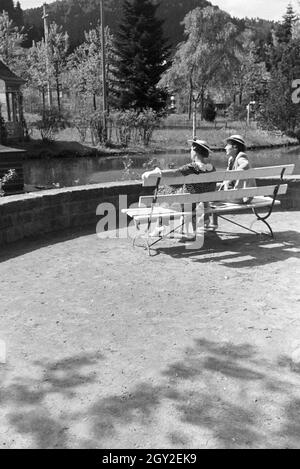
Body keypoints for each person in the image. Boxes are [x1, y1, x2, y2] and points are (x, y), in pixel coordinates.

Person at [142, 138, 216, 238]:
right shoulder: (212, 168)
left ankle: (160, 225)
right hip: (196, 202)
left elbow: (175, 173)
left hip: (186, 203)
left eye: (191, 150)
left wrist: (155, 172)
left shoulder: (192, 167)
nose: (190, 152)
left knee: (163, 194)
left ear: (195, 150)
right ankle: (168, 224)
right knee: (174, 192)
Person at [211, 134, 256, 228]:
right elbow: (226, 178)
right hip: (238, 192)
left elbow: (245, 164)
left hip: (243, 196)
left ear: (235, 147)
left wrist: (231, 178)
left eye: (227, 145)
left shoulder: (241, 156)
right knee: (211, 188)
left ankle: (211, 221)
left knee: (212, 195)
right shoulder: (231, 159)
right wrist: (225, 182)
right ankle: (212, 222)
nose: (225, 147)